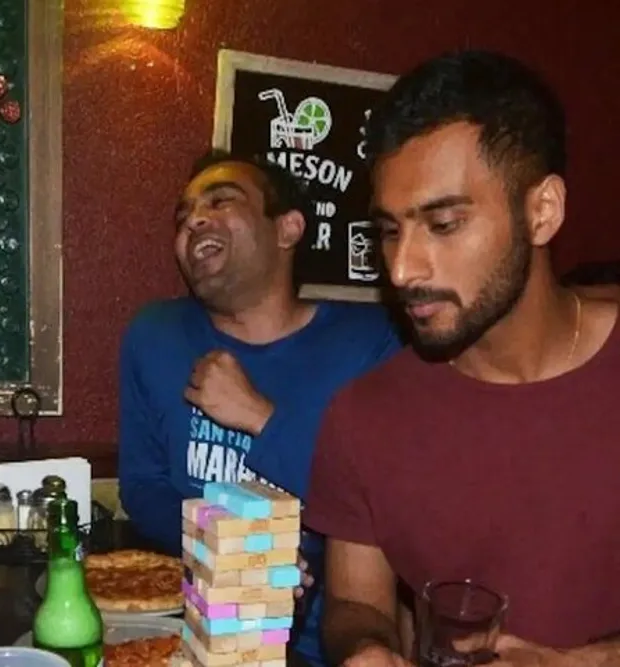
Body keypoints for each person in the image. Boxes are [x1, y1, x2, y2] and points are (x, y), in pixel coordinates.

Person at [303, 49, 620, 667]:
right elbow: (355, 604)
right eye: (390, 230)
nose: (400, 268)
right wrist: (366, 648)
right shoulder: (361, 417)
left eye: (443, 224)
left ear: (542, 211)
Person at [118, 149, 402, 667]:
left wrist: (262, 418)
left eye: (221, 201)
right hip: (178, 636)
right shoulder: (153, 334)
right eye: (183, 215)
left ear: (288, 229)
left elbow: (391, 506)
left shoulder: (373, 343)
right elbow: (143, 485)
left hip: (323, 649)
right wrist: (230, 550)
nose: (194, 220)